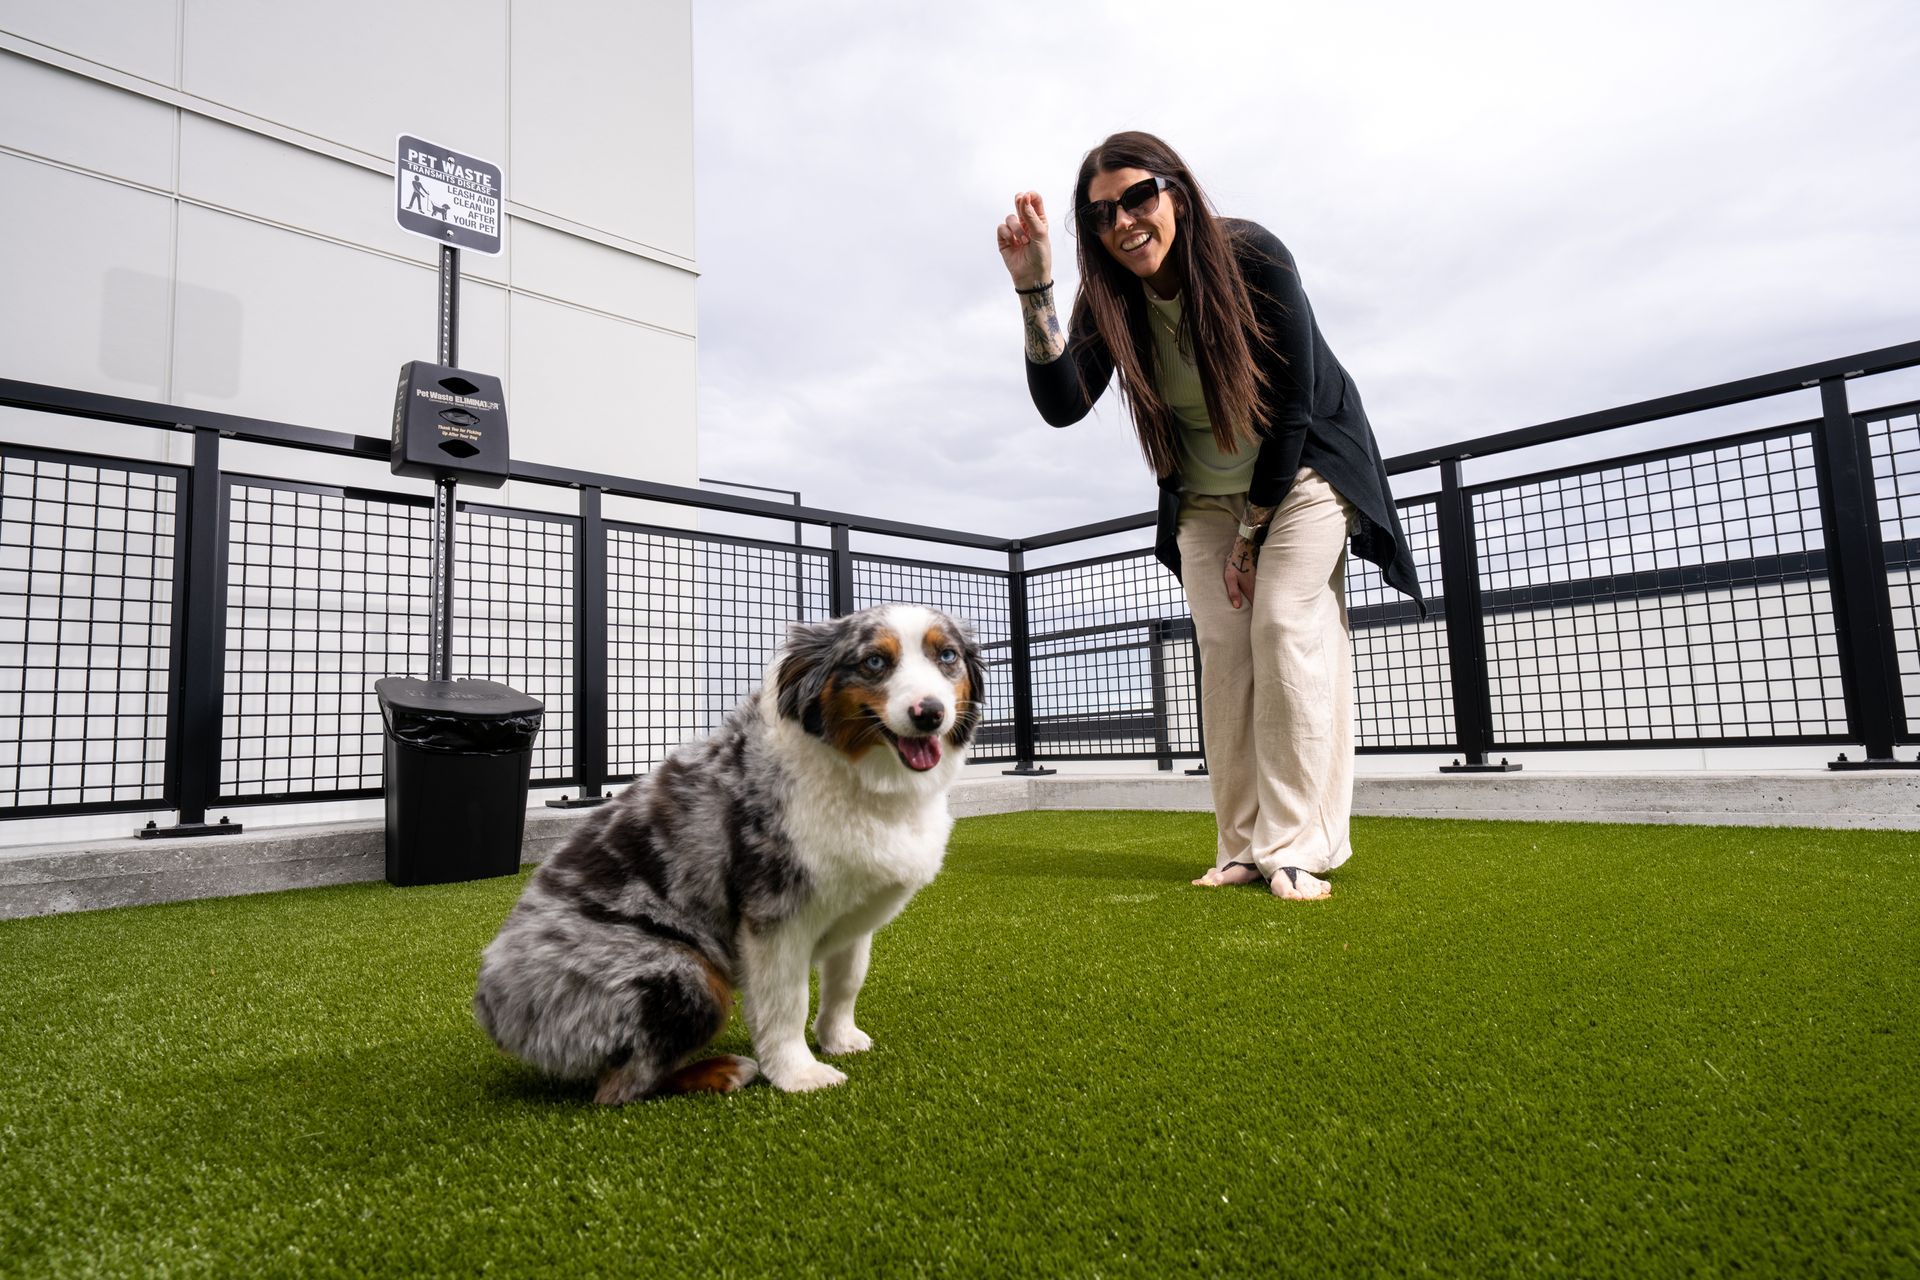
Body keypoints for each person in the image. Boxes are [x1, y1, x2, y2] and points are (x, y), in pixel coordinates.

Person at [996, 131, 1425, 901]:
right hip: (1201, 494)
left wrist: (1252, 535)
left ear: (1177, 194)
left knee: (1283, 624)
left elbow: (1293, 406)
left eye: (1138, 197)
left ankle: (1295, 845)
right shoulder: (1111, 300)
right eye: (1101, 214)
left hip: (1303, 471)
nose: (1124, 222)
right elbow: (1062, 404)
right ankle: (1242, 844)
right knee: (1225, 647)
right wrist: (1036, 290)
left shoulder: (1252, 257)